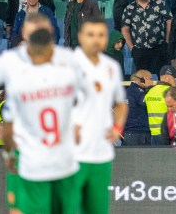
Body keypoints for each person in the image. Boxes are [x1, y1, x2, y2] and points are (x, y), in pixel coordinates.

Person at [0, 21, 83, 214]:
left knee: (21, 209)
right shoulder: (67, 80)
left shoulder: (21, 86)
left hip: (32, 160)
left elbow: (9, 128)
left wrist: (8, 154)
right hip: (63, 160)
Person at [73, 17, 128, 214]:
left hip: (101, 155)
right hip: (73, 154)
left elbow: (121, 104)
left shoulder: (111, 68)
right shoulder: (68, 66)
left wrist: (116, 129)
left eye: (100, 35)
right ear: (80, 37)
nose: (96, 39)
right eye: (90, 35)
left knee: (98, 209)